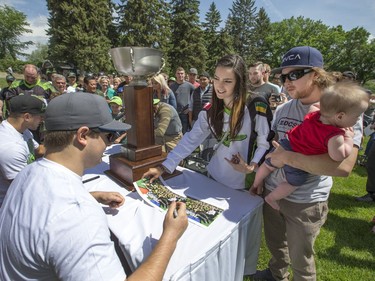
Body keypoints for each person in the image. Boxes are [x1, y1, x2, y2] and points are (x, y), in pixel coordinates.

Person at [0, 92, 188, 281]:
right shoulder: (78, 216)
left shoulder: (29, 172)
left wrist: (92, 195)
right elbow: (67, 218)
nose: (108, 144)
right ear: (82, 135)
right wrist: (170, 236)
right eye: (108, 135)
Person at [249, 46, 363, 281]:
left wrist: (287, 158)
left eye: (294, 74)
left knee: (301, 260)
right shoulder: (283, 108)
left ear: (316, 74)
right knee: (275, 244)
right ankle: (276, 274)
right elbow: (276, 148)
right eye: (283, 76)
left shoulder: (342, 109)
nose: (286, 82)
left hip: (306, 202)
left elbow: (342, 167)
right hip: (273, 190)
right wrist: (261, 175)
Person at [143, 54, 272, 190]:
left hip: (244, 184)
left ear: (239, 82)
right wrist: (164, 167)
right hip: (214, 176)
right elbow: (191, 139)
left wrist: (251, 167)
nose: (219, 86)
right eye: (216, 79)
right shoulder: (210, 110)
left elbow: (265, 142)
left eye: (227, 81)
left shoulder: (256, 105)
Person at [252, 82, 368, 210]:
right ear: (340, 116)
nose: (357, 120)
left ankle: (256, 183)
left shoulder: (314, 113)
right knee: (293, 182)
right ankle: (272, 198)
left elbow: (315, 105)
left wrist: (325, 107)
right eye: (357, 116)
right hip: (300, 155)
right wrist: (349, 138)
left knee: (268, 165)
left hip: (287, 143)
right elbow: (339, 155)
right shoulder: (335, 136)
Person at [0, 94, 46, 207]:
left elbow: (38, 150)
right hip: (11, 204)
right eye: (40, 116)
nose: (42, 120)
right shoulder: (11, 147)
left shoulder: (22, 130)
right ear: (27, 117)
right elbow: (24, 187)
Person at [169, 67, 195, 134]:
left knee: (185, 133)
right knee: (175, 133)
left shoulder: (190, 86)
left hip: (185, 114)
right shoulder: (171, 86)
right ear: (175, 75)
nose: (180, 75)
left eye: (182, 73)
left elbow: (195, 98)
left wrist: (190, 109)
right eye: (178, 73)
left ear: (184, 74)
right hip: (175, 114)